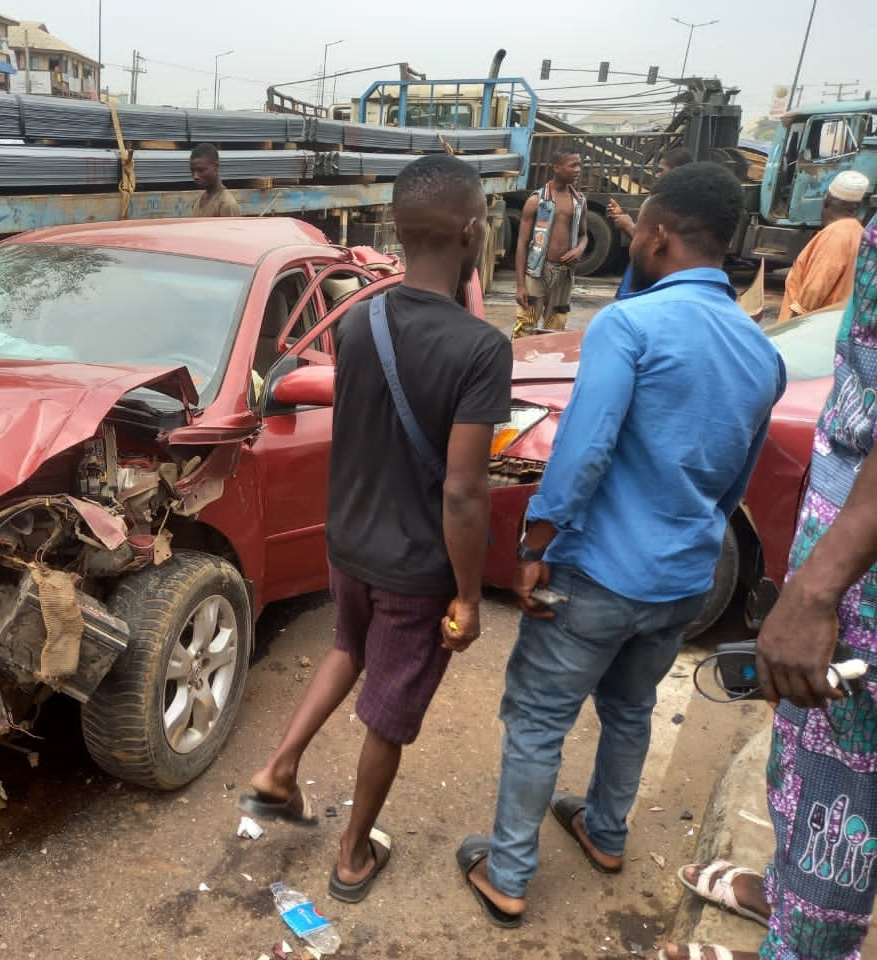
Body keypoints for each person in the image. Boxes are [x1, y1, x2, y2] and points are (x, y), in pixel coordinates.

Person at [457, 162, 787, 928]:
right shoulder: (759, 349)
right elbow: (734, 480)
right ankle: (605, 833)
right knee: (631, 709)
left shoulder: (628, 325)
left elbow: (582, 453)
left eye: (638, 227)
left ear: (661, 236)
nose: (633, 236)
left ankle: (508, 873)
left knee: (539, 718)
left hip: (600, 572)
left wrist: (535, 540)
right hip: (684, 576)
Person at [237, 154, 511, 904]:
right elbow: (463, 490)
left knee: (345, 648)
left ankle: (280, 767)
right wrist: (468, 596)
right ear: (471, 228)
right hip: (414, 567)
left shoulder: (359, 321)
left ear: (396, 229)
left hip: (348, 545)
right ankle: (354, 855)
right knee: (389, 711)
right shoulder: (481, 348)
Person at [661, 217, 877, 960]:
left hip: (859, 593)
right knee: (818, 787)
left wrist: (816, 590)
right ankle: (791, 905)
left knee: (836, 792)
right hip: (848, 575)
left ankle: (805, 934)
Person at [512, 146, 588, 338]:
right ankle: (521, 366)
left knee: (555, 328)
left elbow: (584, 235)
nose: (578, 170)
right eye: (573, 165)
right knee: (525, 325)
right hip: (536, 271)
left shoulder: (579, 202)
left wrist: (579, 249)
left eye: (579, 165)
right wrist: (521, 285)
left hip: (563, 274)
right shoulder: (536, 201)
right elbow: (522, 243)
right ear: (557, 168)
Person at [777, 169, 871, 323]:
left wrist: (789, 330)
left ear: (826, 200)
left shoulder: (836, 235)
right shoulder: (860, 234)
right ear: (857, 207)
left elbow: (814, 290)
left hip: (810, 329)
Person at [608, 147, 695, 299]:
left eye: (661, 170)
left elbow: (651, 244)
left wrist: (627, 224)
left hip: (650, 279)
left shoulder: (670, 204)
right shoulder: (687, 202)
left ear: (678, 171)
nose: (658, 175)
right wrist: (621, 217)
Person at [189, 143, 240, 218]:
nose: (195, 176)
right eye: (192, 171)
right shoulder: (200, 200)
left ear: (216, 168)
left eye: (201, 170)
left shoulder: (226, 204)